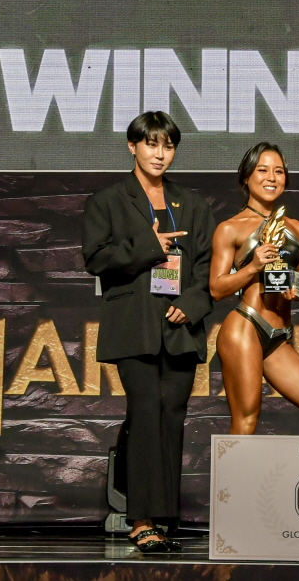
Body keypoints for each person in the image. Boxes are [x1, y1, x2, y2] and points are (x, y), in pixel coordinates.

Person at [82, 112, 214, 554]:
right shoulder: (107, 201)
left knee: (172, 415)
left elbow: (206, 266)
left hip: (180, 324)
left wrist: (192, 304)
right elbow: (96, 258)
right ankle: (140, 520)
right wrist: (148, 247)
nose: (160, 154)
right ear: (132, 146)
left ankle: (163, 517)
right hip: (134, 323)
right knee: (145, 413)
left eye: (168, 146)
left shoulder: (192, 203)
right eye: (151, 144)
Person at [210, 143, 299, 437]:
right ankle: (233, 471)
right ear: (246, 177)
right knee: (245, 421)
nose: (271, 177)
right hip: (246, 327)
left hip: (279, 337)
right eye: (262, 170)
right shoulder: (230, 228)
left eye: (279, 171)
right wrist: (252, 267)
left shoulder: (298, 229)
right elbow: (217, 289)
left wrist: (294, 289)